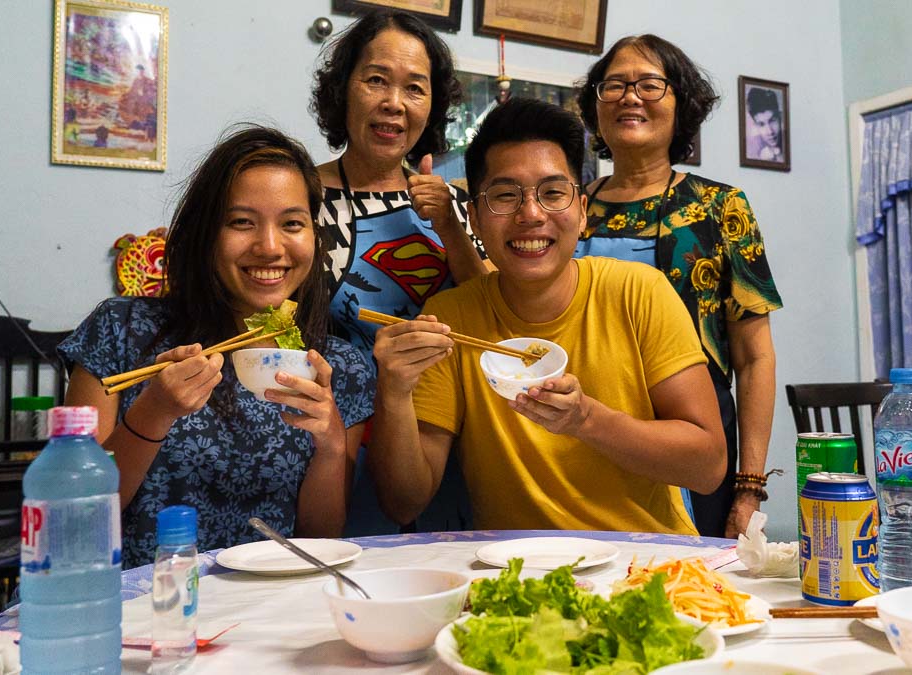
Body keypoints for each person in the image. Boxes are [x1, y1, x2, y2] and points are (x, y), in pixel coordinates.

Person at [367, 97, 727, 535]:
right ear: (475, 219)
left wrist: (585, 420)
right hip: (515, 577)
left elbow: (708, 466)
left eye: (552, 193)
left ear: (581, 211)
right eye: (505, 196)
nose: (531, 214)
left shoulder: (639, 292)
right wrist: (394, 390)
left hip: (648, 566)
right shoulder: (451, 318)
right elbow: (405, 503)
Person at [58, 126, 375, 567]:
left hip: (266, 610)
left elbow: (320, 540)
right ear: (206, 234)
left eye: (292, 224)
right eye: (241, 222)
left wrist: (331, 444)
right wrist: (155, 411)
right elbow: (74, 515)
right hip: (131, 606)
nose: (269, 246)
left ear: (315, 239)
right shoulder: (121, 330)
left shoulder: (337, 366)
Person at [575, 34, 783, 538]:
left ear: (680, 104)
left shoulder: (721, 207)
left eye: (650, 84)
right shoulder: (568, 208)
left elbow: (754, 357)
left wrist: (749, 485)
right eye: (614, 85)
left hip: (691, 443)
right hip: (580, 439)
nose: (630, 97)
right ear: (595, 107)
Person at [310, 9, 486, 533]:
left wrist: (452, 226)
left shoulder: (451, 199)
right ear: (344, 90)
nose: (394, 103)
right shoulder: (301, 193)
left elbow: (491, 312)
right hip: (341, 438)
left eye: (415, 88)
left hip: (446, 433)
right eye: (376, 80)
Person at [746, 87, 784, 162]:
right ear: (755, 125)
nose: (770, 131)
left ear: (780, 117)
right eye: (761, 124)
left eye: (772, 121)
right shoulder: (753, 149)